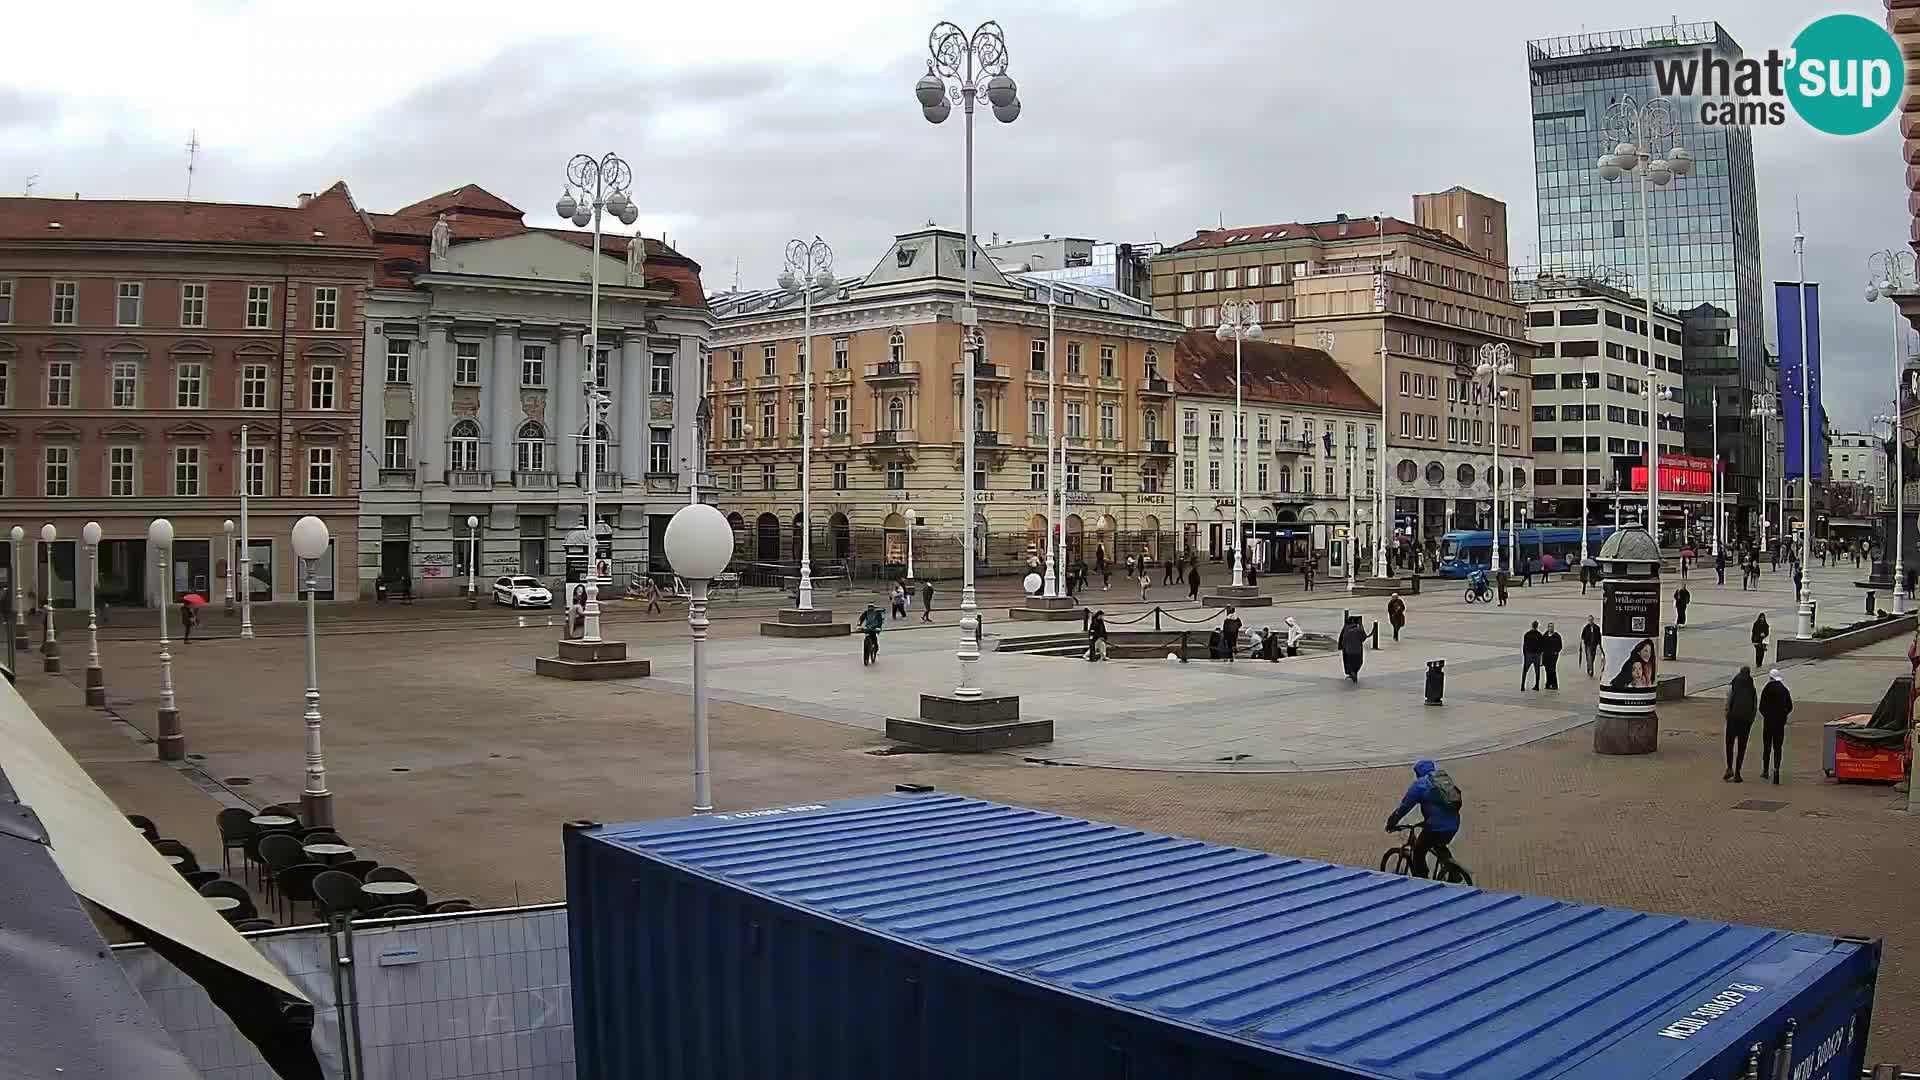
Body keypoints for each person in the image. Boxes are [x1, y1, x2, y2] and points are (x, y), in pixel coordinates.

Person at [1385, 759, 1462, 880]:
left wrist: (1391, 822)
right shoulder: (1443, 781)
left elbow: (1404, 807)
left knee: (1419, 851)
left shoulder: (1420, 785)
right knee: (1439, 844)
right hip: (1453, 824)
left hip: (1435, 826)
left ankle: (1422, 880)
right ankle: (1453, 871)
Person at [1758, 668, 1793, 784]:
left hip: (1768, 722)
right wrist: (1782, 716)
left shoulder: (1767, 688)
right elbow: (1789, 706)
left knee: (1767, 746)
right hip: (1779, 723)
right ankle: (1777, 770)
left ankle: (1765, 770)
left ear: (1770, 677)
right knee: (1777, 748)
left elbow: (1761, 706)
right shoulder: (1784, 690)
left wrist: (1767, 715)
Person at [1724, 666, 1757, 782]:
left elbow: (1729, 700)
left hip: (1733, 718)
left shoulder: (1735, 684)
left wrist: (1727, 714)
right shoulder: (1751, 687)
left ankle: (1729, 768)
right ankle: (1738, 772)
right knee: (1741, 747)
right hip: (1745, 721)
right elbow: (1754, 706)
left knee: (1729, 743)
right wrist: (1751, 719)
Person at [1338, 616, 1367, 681]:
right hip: (1358, 651)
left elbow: (1343, 640)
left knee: (1350, 663)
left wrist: (1343, 647)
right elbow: (1364, 637)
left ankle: (1352, 672)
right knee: (1359, 662)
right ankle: (1354, 672)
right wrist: (1361, 626)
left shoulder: (1346, 629)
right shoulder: (1358, 629)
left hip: (1348, 651)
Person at [1521, 621, 1544, 691]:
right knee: (1537, 671)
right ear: (1537, 626)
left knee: (1525, 671)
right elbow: (1542, 647)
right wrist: (1540, 654)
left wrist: (1525, 654)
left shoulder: (1527, 634)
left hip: (1529, 655)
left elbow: (1524, 645)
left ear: (1532, 625)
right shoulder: (1540, 635)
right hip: (1537, 655)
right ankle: (1537, 686)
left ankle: (1522, 686)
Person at [1542, 621, 1563, 690]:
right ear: (1547, 627)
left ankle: (1554, 684)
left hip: (1553, 656)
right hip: (1546, 656)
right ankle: (1548, 683)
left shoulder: (1557, 636)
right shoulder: (1545, 635)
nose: (1550, 628)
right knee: (1547, 669)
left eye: (1551, 627)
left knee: (1552, 669)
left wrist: (1556, 651)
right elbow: (1542, 644)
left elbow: (1560, 645)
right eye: (1549, 627)